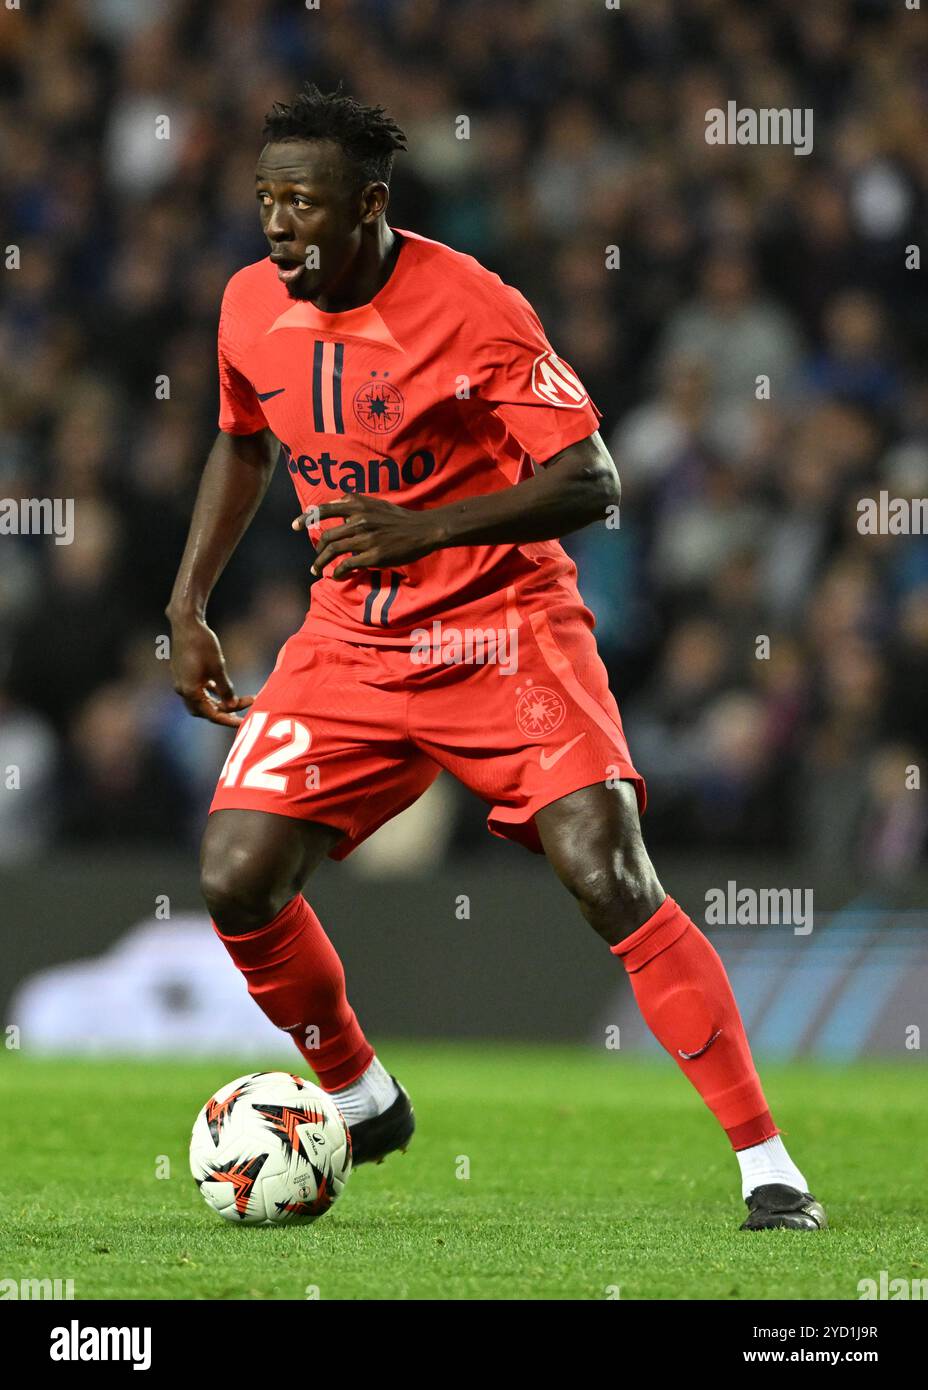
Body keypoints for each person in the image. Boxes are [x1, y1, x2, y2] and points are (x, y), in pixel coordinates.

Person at [167, 84, 824, 1231]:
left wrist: (424, 530)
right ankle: (364, 1098)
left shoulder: (473, 307)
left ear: (368, 206)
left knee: (607, 872)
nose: (278, 225)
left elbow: (591, 478)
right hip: (351, 640)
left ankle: (768, 1166)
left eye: (304, 203)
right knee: (233, 872)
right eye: (266, 199)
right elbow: (239, 445)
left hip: (500, 629)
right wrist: (186, 606)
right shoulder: (245, 308)